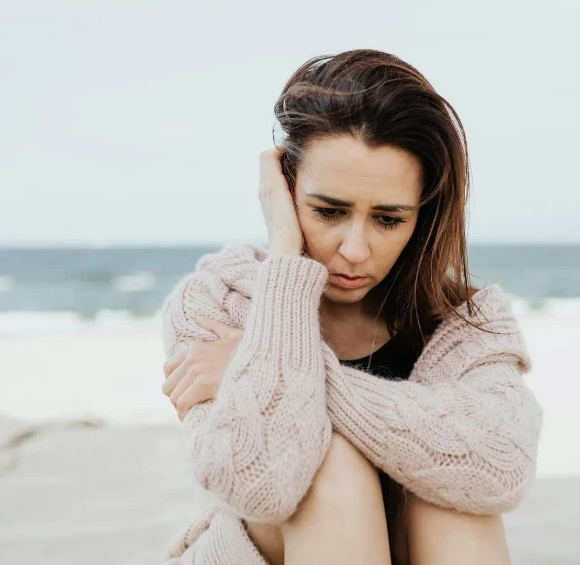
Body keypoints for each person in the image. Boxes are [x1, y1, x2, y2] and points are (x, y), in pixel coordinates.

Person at [160, 49, 543, 565]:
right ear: (285, 192)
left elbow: (501, 469)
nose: (355, 249)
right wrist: (286, 261)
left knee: (457, 495)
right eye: (328, 211)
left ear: (422, 218)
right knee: (331, 466)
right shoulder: (217, 302)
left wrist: (296, 373)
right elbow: (263, 485)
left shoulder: (465, 322)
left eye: (388, 219)